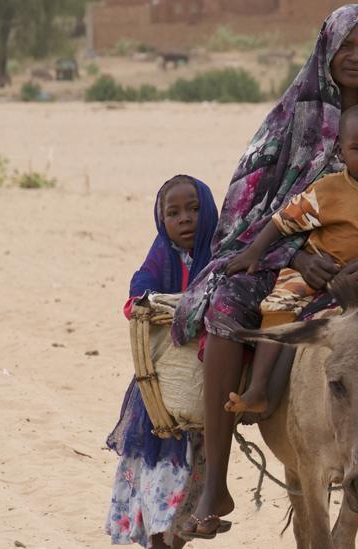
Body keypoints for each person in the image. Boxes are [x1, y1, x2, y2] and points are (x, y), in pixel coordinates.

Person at [171, 4, 358, 539]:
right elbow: (259, 207)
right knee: (225, 307)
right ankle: (215, 481)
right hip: (297, 256)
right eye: (346, 46)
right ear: (326, 49)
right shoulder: (290, 116)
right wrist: (294, 257)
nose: (356, 56)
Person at [223, 104, 358, 414]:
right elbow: (283, 220)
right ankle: (258, 387)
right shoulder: (328, 189)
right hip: (318, 269)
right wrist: (253, 252)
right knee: (278, 305)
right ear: (341, 149)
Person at [105, 175, 219, 548]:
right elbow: (136, 297)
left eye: (194, 209)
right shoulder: (161, 257)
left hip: (201, 397)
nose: (185, 218)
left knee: (188, 496)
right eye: (173, 213)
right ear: (162, 222)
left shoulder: (220, 258)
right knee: (160, 488)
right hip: (160, 402)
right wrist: (156, 303)